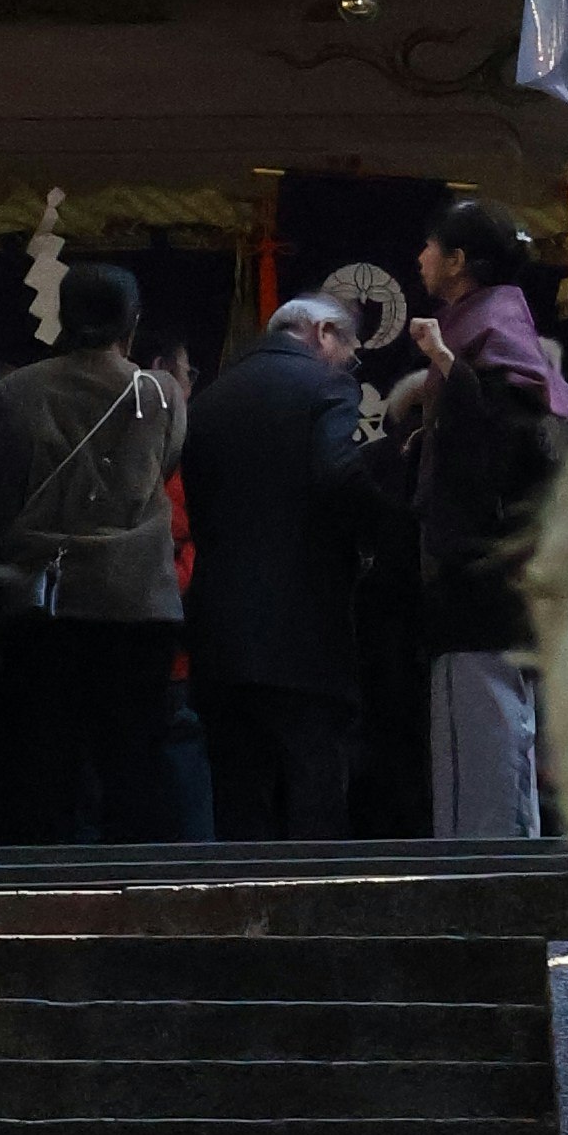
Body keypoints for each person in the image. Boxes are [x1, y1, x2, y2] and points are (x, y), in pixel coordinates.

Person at [373, 196, 568, 840]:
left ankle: (483, 914)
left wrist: (446, 368)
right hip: (502, 586)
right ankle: (512, 904)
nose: (421, 258)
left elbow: (501, 442)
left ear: (459, 263)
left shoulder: (484, 345)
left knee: (481, 760)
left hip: (479, 585)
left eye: (432, 247)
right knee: (500, 749)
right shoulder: (492, 337)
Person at [0, 263, 189, 844]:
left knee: (44, 758)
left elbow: (2, 485)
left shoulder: (14, 392)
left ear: (63, 317)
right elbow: (164, 467)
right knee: (136, 757)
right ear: (133, 320)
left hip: (48, 596)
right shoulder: (161, 393)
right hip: (137, 598)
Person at [178, 296, 373, 837]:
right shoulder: (324, 387)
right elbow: (338, 478)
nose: (347, 364)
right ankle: (317, 917)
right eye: (349, 350)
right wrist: (386, 528)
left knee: (240, 806)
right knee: (315, 797)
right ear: (323, 331)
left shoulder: (210, 399)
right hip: (304, 629)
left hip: (219, 630)